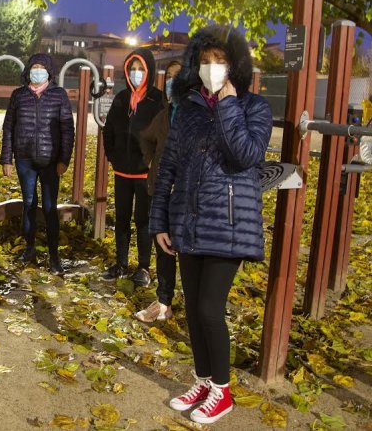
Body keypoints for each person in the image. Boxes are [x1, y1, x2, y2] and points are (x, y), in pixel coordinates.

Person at [150, 25, 272, 425]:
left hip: (229, 225)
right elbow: (167, 166)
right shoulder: (187, 109)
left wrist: (228, 105)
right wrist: (160, 221)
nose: (212, 67)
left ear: (235, 65)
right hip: (188, 223)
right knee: (192, 310)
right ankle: (203, 381)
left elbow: (245, 155)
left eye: (220, 60)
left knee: (209, 309)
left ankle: (223, 391)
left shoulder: (254, 107)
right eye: (204, 61)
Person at [0, 54, 74, 273]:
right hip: (25, 160)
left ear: (49, 71)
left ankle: (54, 256)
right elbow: (8, 127)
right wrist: (6, 159)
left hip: (51, 161)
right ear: (28, 70)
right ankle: (29, 248)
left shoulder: (59, 95)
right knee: (29, 203)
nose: (38, 71)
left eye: (42, 67)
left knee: (50, 208)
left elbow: (67, 130)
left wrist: (64, 160)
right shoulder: (19, 95)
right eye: (34, 67)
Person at [101, 48, 165, 286]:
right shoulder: (121, 98)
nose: (136, 74)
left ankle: (143, 267)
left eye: (141, 69)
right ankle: (121, 263)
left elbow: (163, 136)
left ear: (149, 71)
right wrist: (113, 156)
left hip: (145, 174)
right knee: (122, 218)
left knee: (143, 220)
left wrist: (153, 163)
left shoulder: (158, 100)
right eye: (132, 69)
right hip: (122, 171)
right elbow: (108, 129)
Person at [135, 60, 182, 322]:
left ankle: (195, 303)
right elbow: (145, 137)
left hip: (186, 194)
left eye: (178, 75)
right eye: (169, 76)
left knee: (185, 248)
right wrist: (150, 160)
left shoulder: (197, 114)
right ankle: (164, 301)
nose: (172, 81)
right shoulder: (165, 113)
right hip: (160, 189)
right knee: (163, 246)